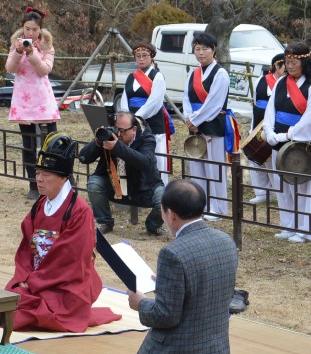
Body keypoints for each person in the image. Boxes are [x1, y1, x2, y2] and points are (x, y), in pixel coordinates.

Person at [117, 179, 245, 354]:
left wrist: (140, 303)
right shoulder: (225, 241)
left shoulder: (173, 253)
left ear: (171, 215)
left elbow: (165, 315)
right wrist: (166, 283)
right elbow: (210, 288)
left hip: (181, 352)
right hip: (216, 349)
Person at [0, 132, 121, 332]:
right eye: (37, 173)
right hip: (37, 278)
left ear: (63, 177)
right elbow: (26, 250)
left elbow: (70, 260)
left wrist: (33, 282)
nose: (39, 179)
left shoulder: (79, 211)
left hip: (65, 284)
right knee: (10, 300)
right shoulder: (40, 205)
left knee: (34, 311)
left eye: (46, 175)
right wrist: (24, 278)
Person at [263, 43, 311, 242]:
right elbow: (270, 109)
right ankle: (288, 225)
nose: (290, 65)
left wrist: (287, 135)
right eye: (287, 61)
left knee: (303, 187)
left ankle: (305, 230)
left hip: (301, 143)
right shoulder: (281, 83)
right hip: (278, 139)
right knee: (282, 185)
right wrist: (269, 131)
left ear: (305, 62)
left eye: (294, 61)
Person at [78, 111, 165, 235]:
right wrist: (97, 142)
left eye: (123, 131)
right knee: (94, 183)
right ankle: (105, 222)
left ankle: (152, 226)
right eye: (116, 129)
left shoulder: (146, 138)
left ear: (134, 129)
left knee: (164, 201)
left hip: (144, 188)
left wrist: (117, 147)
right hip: (114, 185)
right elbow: (83, 158)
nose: (118, 134)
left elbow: (144, 162)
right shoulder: (110, 136)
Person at [6, 7, 60, 200]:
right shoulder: (16, 44)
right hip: (23, 100)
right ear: (22, 27)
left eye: (34, 29)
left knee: (51, 143)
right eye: (27, 28)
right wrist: (18, 52)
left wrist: (31, 54)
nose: (30, 33)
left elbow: (45, 69)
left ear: (40, 29)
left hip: (43, 99)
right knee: (28, 145)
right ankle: (33, 185)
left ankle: (55, 182)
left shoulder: (47, 46)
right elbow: (10, 68)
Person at [182, 31, 231, 219]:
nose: (201, 53)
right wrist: (189, 118)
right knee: (198, 166)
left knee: (214, 166)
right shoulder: (194, 73)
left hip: (212, 123)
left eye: (205, 49)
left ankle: (218, 208)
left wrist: (195, 120)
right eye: (197, 49)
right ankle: (200, 204)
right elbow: (186, 98)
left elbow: (214, 103)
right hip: (195, 123)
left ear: (213, 49)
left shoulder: (221, 73)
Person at [116, 43, 171, 182]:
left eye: (145, 56)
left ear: (151, 57)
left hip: (151, 121)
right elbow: (125, 99)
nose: (141, 59)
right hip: (132, 123)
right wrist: (126, 117)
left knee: (156, 158)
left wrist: (135, 118)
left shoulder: (157, 76)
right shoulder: (131, 77)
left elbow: (154, 102)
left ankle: (158, 187)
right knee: (136, 156)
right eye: (138, 56)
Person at [246, 54, 285, 205]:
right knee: (255, 159)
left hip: (275, 125)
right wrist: (253, 128)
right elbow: (256, 102)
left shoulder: (285, 84)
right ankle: (261, 192)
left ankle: (278, 192)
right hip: (258, 123)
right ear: (276, 66)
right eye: (284, 65)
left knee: (272, 160)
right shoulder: (261, 80)